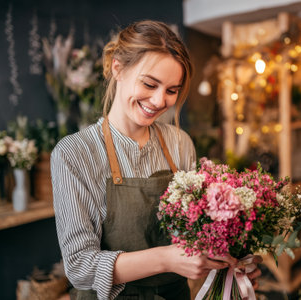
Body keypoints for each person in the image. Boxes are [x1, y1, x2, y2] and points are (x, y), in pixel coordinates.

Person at [51, 20, 261, 300]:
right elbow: (79, 267)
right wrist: (166, 259)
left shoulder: (179, 143)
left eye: (172, 90)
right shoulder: (74, 153)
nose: (160, 100)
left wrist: (230, 270)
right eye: (150, 84)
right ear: (118, 68)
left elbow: (197, 239)